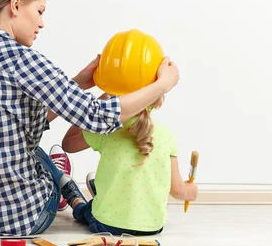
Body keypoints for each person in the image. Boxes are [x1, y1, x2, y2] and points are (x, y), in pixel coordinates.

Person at [0, 0, 180, 236]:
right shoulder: (23, 60)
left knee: (18, 144)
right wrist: (160, 85)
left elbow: (18, 119)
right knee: (38, 154)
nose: (41, 23)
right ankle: (62, 182)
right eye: (40, 11)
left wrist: (79, 83)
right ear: (16, 4)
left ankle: (57, 173)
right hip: (23, 217)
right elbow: (96, 116)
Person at [61, 92, 198, 236]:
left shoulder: (107, 128)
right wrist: (190, 191)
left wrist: (93, 107)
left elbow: (68, 144)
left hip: (106, 225)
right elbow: (177, 190)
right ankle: (107, 194)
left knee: (87, 210)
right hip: (152, 227)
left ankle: (76, 201)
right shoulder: (166, 135)